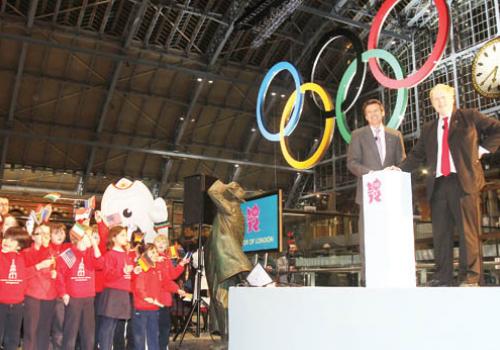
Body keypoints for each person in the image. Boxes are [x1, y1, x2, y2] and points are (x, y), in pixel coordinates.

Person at [399, 84, 500, 287]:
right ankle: (442, 276)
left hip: (463, 182)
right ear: (432, 103)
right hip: (438, 185)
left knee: (467, 231)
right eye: (435, 98)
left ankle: (470, 276)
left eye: (443, 97)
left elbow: (497, 129)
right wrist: (398, 169)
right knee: (441, 233)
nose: (440, 101)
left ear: (452, 97)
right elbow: (416, 155)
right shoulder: (429, 128)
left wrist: (481, 150)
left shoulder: (469, 116)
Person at [347, 99, 406, 286]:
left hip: (391, 197)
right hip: (369, 195)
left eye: (376, 111)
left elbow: (402, 161)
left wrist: (398, 169)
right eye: (369, 113)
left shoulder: (395, 135)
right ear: (365, 117)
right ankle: (367, 277)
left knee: (391, 235)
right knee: (368, 237)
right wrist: (372, 174)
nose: (373, 115)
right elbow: (352, 163)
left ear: (382, 113)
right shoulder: (358, 135)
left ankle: (393, 274)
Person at [0, 227, 51, 350]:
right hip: (1, 304)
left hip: (17, 306)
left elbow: (29, 269)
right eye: (6, 238)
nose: (7, 242)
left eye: (12, 240)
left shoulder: (22, 257)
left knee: (12, 339)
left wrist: (43, 245)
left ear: (19, 245)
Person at [56, 226, 102, 350]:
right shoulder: (70, 253)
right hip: (74, 298)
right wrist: (63, 293)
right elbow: (60, 274)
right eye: (89, 236)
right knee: (70, 333)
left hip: (88, 298)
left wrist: (95, 245)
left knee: (88, 334)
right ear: (79, 238)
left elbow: (100, 264)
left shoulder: (90, 253)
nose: (91, 238)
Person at [97, 226, 135, 350]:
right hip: (113, 293)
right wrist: (122, 270)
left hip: (123, 292)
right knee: (108, 326)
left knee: (113, 327)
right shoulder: (110, 254)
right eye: (122, 235)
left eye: (126, 235)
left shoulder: (125, 254)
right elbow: (107, 275)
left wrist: (135, 270)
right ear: (114, 238)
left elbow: (128, 273)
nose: (126, 238)